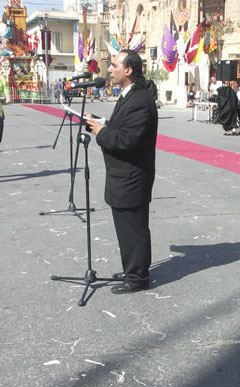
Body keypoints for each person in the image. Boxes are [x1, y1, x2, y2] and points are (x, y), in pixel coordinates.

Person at [86, 49, 158, 294]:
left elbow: (129, 140)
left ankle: (137, 278)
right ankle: (133, 268)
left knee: (133, 229)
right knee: (127, 229)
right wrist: (99, 123)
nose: (109, 69)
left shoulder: (140, 100)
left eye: (114, 64)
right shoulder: (130, 95)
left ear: (128, 70)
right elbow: (122, 127)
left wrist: (102, 132)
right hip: (123, 176)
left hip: (132, 178)